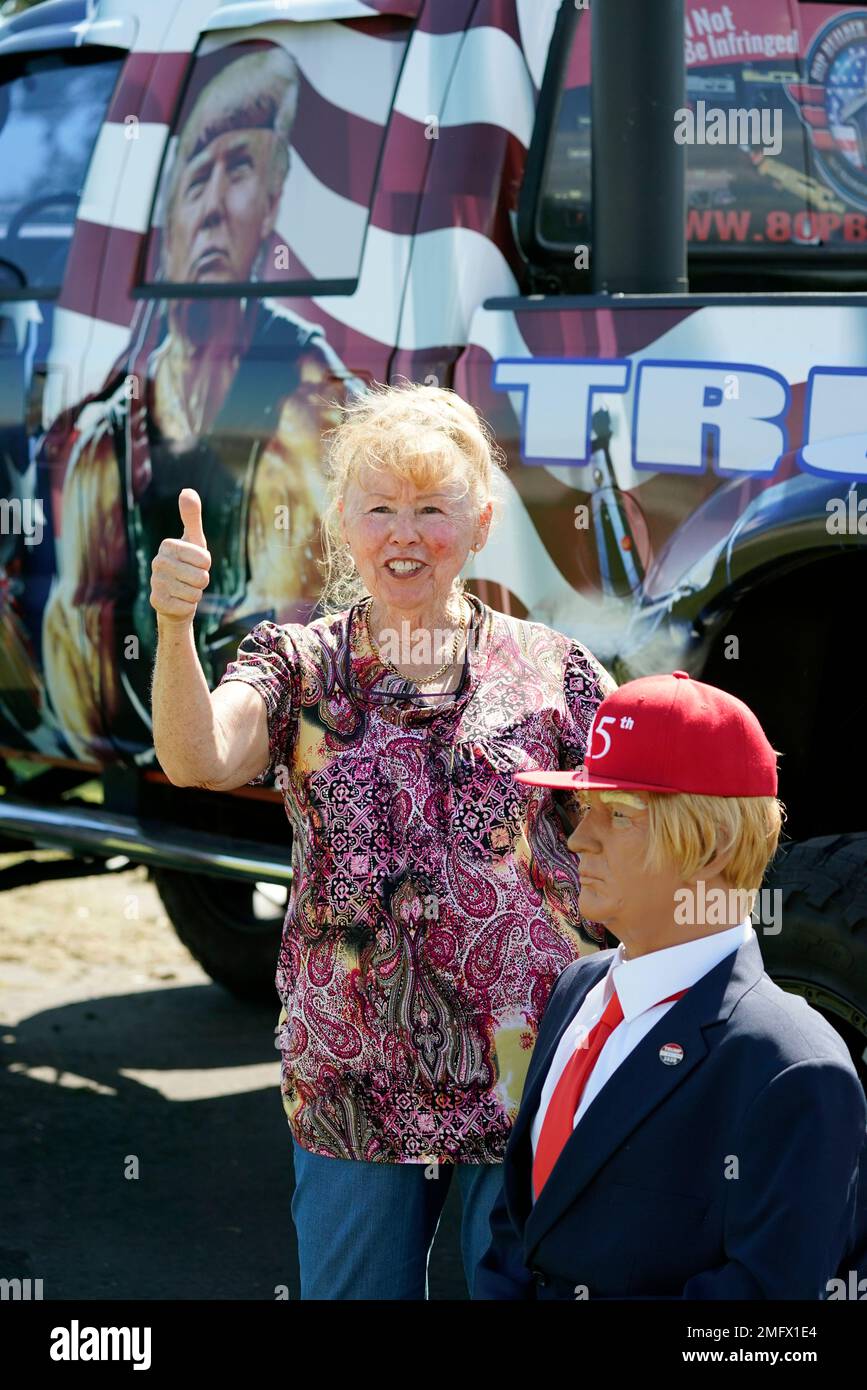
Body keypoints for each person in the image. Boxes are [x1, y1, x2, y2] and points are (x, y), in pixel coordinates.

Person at [149, 381, 616, 1299]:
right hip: (352, 1081)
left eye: (433, 509)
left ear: (479, 524)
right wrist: (173, 629)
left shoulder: (551, 668)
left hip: (523, 1080)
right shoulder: (297, 664)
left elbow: (638, 820)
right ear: (343, 524)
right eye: (381, 509)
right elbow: (201, 755)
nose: (406, 534)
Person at [474, 671, 867, 1300]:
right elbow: (522, 1235)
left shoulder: (794, 1069)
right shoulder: (577, 991)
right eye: (582, 808)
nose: (578, 839)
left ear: (711, 845)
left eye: (618, 814)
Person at [41, 46, 360, 764]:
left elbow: (315, 638)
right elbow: (77, 648)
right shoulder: (107, 440)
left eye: (239, 171)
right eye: (196, 180)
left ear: (272, 205)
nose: (214, 205)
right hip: (175, 749)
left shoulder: (310, 398)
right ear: (167, 228)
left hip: (278, 752)